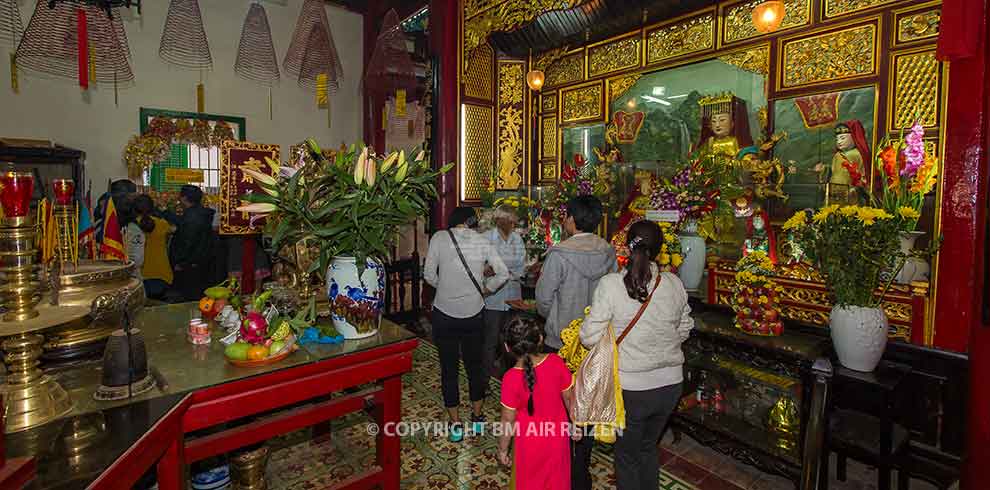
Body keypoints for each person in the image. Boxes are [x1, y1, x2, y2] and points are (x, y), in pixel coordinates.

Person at [580, 220, 695, 490]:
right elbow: (686, 326)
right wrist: (662, 344)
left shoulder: (611, 285)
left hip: (632, 389)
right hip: (670, 385)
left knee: (628, 456)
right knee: (647, 448)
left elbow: (588, 337)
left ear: (627, 246)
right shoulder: (674, 283)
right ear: (660, 250)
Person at [535, 195, 615, 490]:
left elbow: (543, 300)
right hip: (594, 341)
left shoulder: (559, 254)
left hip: (559, 341)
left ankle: (561, 470)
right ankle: (582, 470)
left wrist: (552, 316)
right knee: (587, 406)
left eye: (566, 215)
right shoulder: (607, 251)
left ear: (572, 219)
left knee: (559, 408)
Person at [423, 207, 509, 442]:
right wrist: (485, 289)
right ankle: (478, 417)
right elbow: (503, 273)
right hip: (474, 314)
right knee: (475, 367)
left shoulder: (439, 238)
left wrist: (445, 286)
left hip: (444, 314)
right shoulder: (481, 241)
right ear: (472, 222)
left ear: (453, 220)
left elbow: (428, 275)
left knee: (449, 370)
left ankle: (455, 424)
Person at [498, 316, 577, 490]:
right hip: (558, 440)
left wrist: (503, 449)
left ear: (507, 347)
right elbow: (571, 399)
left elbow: (507, 421)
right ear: (540, 338)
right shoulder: (556, 362)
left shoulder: (510, 379)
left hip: (528, 445)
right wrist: (576, 425)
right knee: (557, 482)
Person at [483, 206, 527, 378]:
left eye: (513, 220)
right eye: (509, 220)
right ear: (499, 220)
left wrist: (499, 269)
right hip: (493, 297)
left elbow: (521, 267)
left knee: (514, 339)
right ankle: (484, 379)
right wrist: (500, 269)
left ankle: (509, 378)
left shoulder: (517, 239)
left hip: (513, 295)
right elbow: (482, 267)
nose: (512, 223)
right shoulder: (486, 238)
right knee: (490, 340)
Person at [170, 185, 216, 301]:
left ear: (184, 198)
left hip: (190, 264)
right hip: (204, 262)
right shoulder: (203, 214)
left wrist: (180, 261)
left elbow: (187, 242)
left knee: (190, 297)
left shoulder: (192, 217)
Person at [133, 194, 175, 300]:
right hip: (162, 274)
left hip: (138, 275)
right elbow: (174, 229)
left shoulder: (131, 225)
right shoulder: (162, 224)